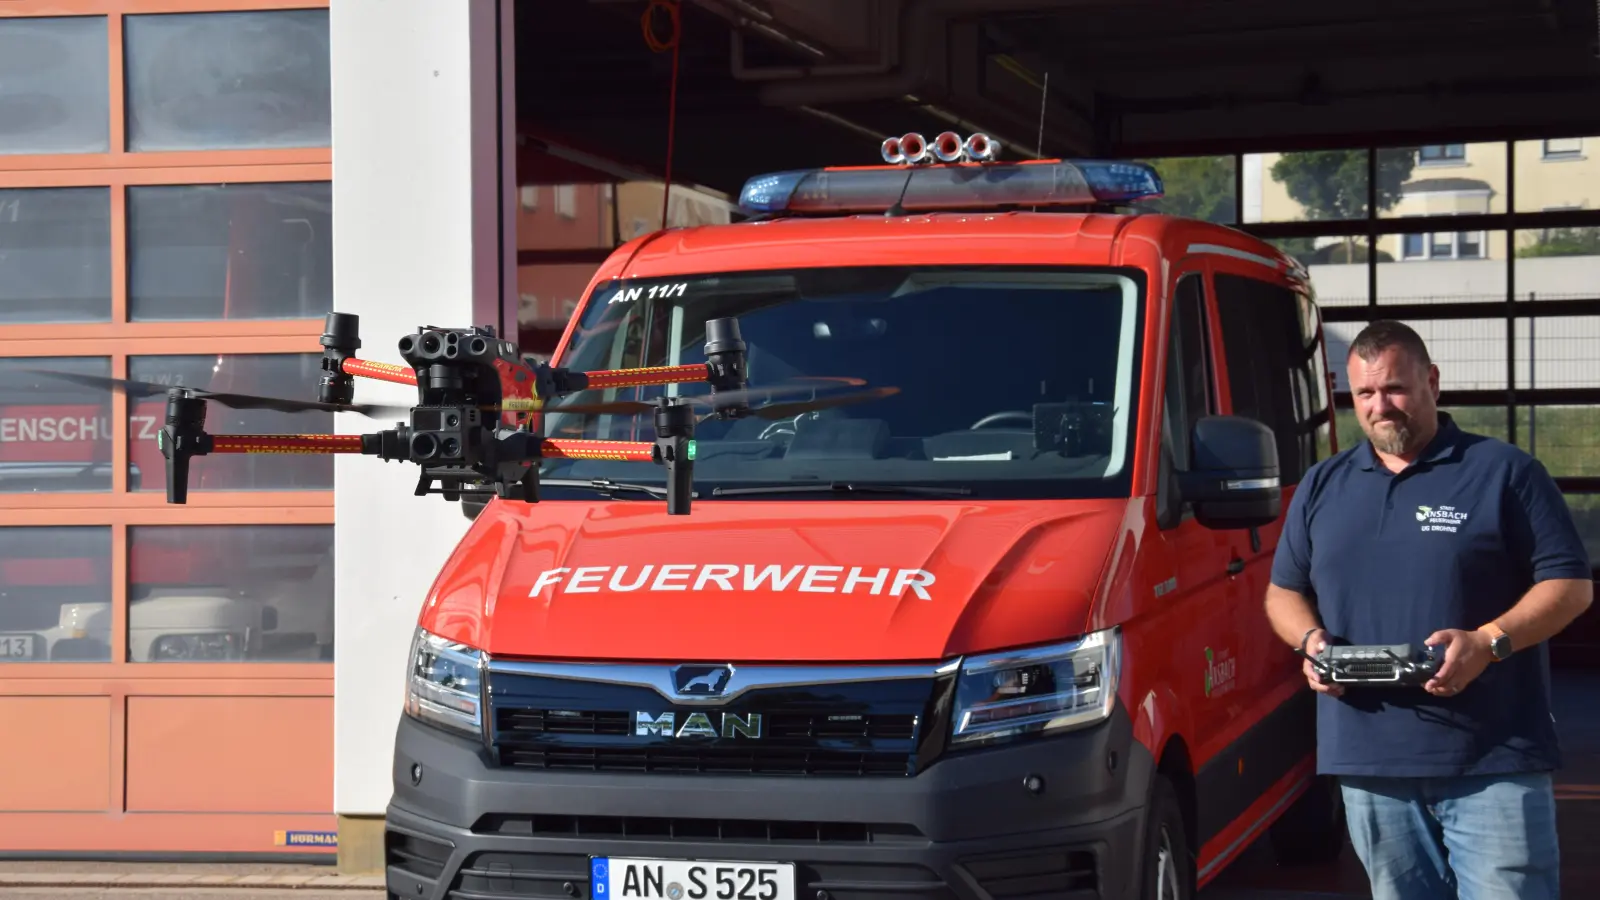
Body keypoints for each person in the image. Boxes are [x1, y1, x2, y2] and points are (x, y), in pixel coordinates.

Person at [1264, 319, 1593, 900]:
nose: (1380, 407)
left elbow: (1569, 586)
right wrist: (1311, 643)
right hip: (1369, 763)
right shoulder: (1323, 485)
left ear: (1432, 382)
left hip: (1492, 758)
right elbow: (1283, 592)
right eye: (1365, 394)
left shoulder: (1503, 473)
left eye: (1395, 389)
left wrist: (1489, 641)